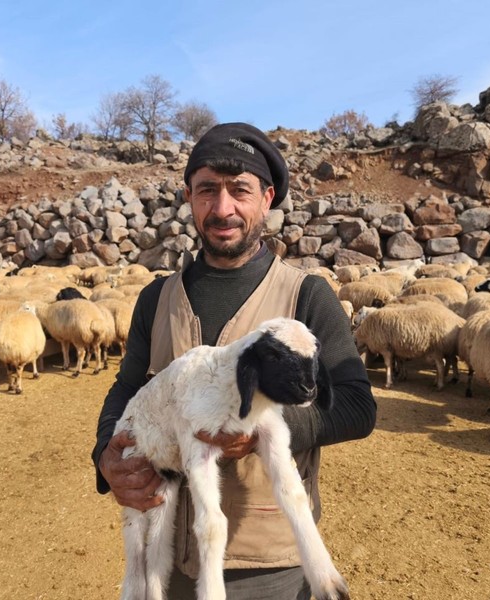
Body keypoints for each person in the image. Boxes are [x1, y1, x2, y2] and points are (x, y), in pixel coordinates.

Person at [92, 122, 376, 599]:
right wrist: (105, 454)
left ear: (267, 198)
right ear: (188, 196)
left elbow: (355, 406)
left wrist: (258, 424)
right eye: (207, 191)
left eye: (239, 191)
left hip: (267, 566)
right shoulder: (156, 299)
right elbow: (127, 387)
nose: (222, 209)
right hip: (173, 561)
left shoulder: (306, 297)